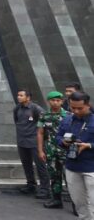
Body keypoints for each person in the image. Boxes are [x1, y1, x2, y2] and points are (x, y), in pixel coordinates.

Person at [56, 91, 94, 219]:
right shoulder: (67, 120)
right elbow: (58, 136)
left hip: (91, 167)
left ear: (88, 105)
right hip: (72, 166)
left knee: (93, 203)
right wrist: (63, 142)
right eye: (73, 108)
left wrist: (89, 145)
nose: (76, 111)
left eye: (80, 108)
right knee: (79, 203)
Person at [14, 89, 50, 198]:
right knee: (26, 164)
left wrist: (43, 141)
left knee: (41, 166)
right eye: (18, 95)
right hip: (22, 141)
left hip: (35, 142)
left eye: (21, 95)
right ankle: (31, 184)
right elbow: (17, 122)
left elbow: (44, 124)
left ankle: (45, 189)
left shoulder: (36, 109)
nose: (18, 97)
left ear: (28, 97)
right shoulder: (16, 109)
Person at [37, 90, 68, 209]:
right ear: (49, 101)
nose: (55, 103)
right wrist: (40, 150)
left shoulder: (68, 116)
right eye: (53, 100)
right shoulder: (44, 116)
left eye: (58, 100)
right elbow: (40, 133)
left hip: (65, 150)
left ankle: (77, 203)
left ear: (62, 101)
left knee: (70, 177)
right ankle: (56, 200)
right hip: (50, 150)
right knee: (54, 175)